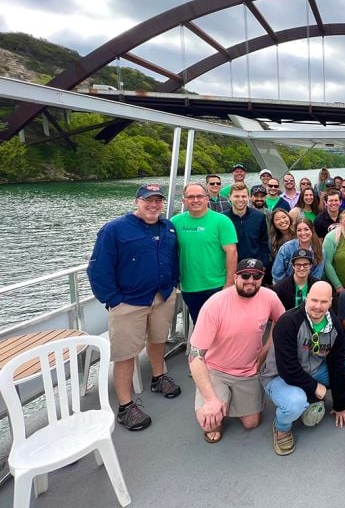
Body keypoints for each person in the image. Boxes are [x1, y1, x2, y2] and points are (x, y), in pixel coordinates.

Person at [88, 183, 180, 431]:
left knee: (159, 340)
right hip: (128, 302)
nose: (153, 205)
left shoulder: (168, 227)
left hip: (162, 296)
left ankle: (158, 377)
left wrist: (172, 284)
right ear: (136, 201)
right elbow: (98, 269)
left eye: (158, 200)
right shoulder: (114, 229)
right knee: (126, 354)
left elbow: (172, 259)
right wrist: (114, 300)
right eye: (148, 200)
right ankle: (125, 406)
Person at [261, 281, 345, 455]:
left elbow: (337, 364)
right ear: (307, 298)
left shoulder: (334, 325)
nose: (318, 306)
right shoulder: (288, 322)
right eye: (314, 300)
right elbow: (287, 369)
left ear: (331, 302)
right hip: (279, 376)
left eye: (324, 302)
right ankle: (281, 427)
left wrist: (339, 404)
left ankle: (309, 396)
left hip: (312, 370)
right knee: (295, 404)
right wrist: (316, 388)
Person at [189, 259, 285, 443]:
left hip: (248, 371)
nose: (251, 280)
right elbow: (195, 356)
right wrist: (210, 400)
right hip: (216, 369)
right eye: (245, 275)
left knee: (252, 423)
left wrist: (265, 351)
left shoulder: (269, 297)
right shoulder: (215, 305)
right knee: (210, 423)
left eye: (256, 276)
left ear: (262, 278)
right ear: (235, 277)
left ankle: (226, 398)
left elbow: (282, 323)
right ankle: (215, 395)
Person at [171, 182, 238, 323]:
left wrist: (229, 284)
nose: (195, 200)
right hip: (190, 287)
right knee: (200, 325)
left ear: (207, 198)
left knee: (222, 326)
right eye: (191, 197)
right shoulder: (175, 222)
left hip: (217, 285)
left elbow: (231, 252)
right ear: (184, 201)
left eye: (199, 196)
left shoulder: (222, 221)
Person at [224, 182, 270, 271]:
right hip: (230, 267)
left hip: (255, 266)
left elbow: (264, 243)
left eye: (244, 196)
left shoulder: (259, 217)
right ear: (230, 197)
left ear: (249, 197)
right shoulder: (223, 219)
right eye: (236, 196)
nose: (240, 199)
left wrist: (263, 264)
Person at [272, 217, 325, 283]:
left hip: (309, 287)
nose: (303, 233)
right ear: (296, 232)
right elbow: (277, 274)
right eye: (299, 230)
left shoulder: (320, 250)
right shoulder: (286, 248)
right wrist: (291, 287)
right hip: (285, 285)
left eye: (306, 229)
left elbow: (317, 276)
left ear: (312, 230)